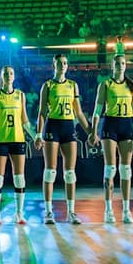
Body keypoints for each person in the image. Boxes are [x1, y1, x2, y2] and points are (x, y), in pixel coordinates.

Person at [89, 55, 133, 224]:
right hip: (110, 124)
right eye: (117, 63)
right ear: (112, 65)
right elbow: (97, 110)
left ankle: (125, 209)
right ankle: (108, 209)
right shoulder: (106, 85)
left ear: (126, 66)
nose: (120, 66)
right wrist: (94, 131)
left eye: (123, 63)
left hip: (126, 124)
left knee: (126, 169)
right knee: (110, 169)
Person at [36, 54, 92, 225]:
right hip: (53, 127)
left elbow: (79, 112)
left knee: (69, 172)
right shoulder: (47, 86)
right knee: (50, 170)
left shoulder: (73, 86)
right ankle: (48, 211)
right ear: (54, 64)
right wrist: (38, 134)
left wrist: (90, 131)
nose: (63, 65)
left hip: (68, 127)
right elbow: (42, 112)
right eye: (60, 63)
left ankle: (71, 212)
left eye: (66, 63)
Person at [0, 65, 36, 225]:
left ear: (14, 76)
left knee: (19, 178)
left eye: (11, 73)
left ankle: (19, 214)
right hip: (0, 139)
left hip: (18, 140)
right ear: (1, 76)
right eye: (6, 73)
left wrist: (35, 137)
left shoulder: (20, 95)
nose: (9, 75)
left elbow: (25, 120)